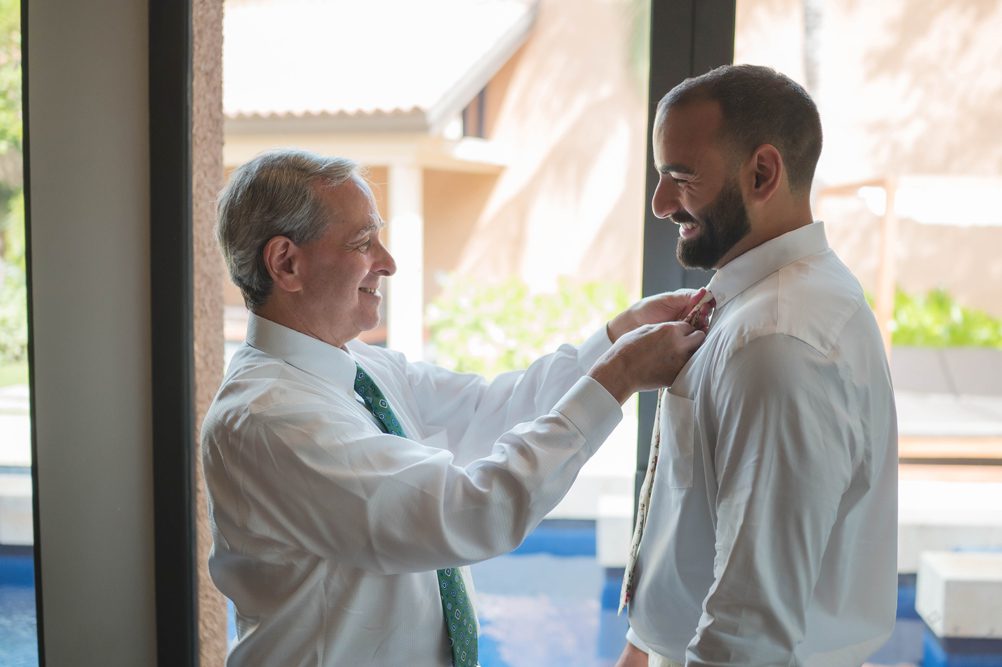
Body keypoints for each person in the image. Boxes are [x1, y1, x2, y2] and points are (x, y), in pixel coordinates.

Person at [201, 148, 707, 667]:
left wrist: (617, 337)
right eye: (362, 243)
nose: (388, 262)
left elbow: (495, 409)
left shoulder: (361, 368)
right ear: (287, 263)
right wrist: (618, 377)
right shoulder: (267, 420)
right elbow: (468, 512)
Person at [615, 64, 898, 667]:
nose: (661, 203)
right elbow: (694, 519)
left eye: (680, 177)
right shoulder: (752, 306)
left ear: (762, 173)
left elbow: (748, 629)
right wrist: (641, 649)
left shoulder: (778, 342)